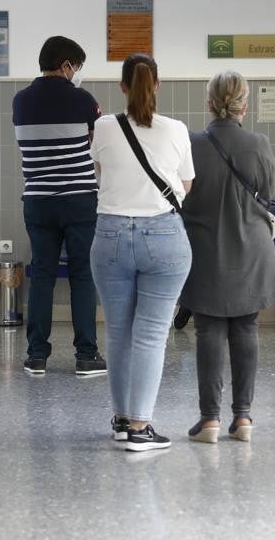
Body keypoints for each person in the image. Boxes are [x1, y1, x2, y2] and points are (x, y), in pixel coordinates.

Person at [90, 53, 194, 451]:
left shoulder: (103, 126)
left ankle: (121, 420)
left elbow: (102, 172)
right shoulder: (177, 129)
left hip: (110, 235)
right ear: (158, 85)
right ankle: (140, 426)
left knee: (118, 332)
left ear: (122, 86)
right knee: (151, 334)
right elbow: (186, 185)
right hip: (163, 236)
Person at [179, 70, 275, 444]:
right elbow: (266, 195)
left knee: (208, 329)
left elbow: (182, 194)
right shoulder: (259, 144)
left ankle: (209, 420)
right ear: (245, 105)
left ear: (209, 103)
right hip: (252, 247)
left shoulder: (191, 144)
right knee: (246, 327)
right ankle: (243, 419)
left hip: (205, 247)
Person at [13, 35, 107, 376]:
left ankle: (36, 355)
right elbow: (96, 144)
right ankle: (86, 355)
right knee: (82, 275)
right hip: (79, 200)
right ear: (66, 65)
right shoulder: (83, 99)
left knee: (42, 276)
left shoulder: (20, 100)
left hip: (38, 200)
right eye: (77, 66)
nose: (77, 73)